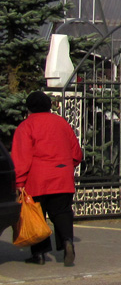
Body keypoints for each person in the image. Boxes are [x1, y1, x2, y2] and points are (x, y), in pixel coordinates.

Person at [12, 91, 84, 266]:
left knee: (36, 215)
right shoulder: (62, 123)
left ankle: (39, 254)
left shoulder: (26, 126)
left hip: (36, 179)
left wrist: (19, 182)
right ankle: (67, 241)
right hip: (62, 177)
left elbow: (22, 156)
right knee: (62, 212)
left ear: (29, 108)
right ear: (49, 106)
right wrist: (66, 166)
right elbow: (76, 153)